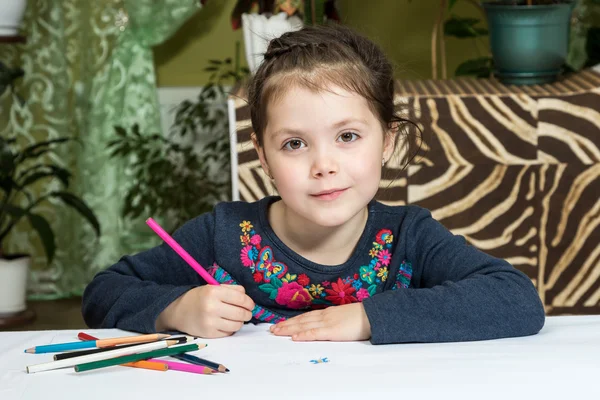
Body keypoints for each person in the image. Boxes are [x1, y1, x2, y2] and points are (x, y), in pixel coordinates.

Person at [82, 24, 545, 345]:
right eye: (294, 144)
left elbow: (515, 299)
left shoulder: (409, 236)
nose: (323, 165)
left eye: (347, 137)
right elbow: (103, 293)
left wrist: (368, 318)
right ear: (262, 156)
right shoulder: (220, 236)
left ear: (388, 141)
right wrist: (174, 310)